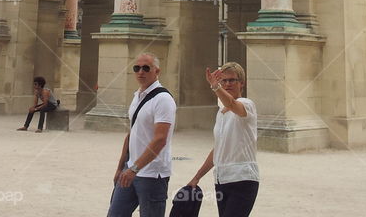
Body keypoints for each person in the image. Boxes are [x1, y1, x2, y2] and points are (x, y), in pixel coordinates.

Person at [107, 53, 176, 217]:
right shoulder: (137, 96)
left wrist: (135, 169)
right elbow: (132, 134)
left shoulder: (163, 99)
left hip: (152, 174)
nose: (141, 72)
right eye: (137, 68)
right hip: (130, 169)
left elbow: (160, 140)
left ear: (157, 71)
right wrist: (121, 168)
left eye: (146, 68)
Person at [187, 62, 259, 216]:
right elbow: (218, 150)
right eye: (223, 81)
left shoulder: (247, 105)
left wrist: (215, 86)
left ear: (241, 84)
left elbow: (232, 103)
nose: (227, 84)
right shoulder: (221, 113)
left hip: (243, 179)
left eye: (232, 80)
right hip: (221, 180)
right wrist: (197, 177)